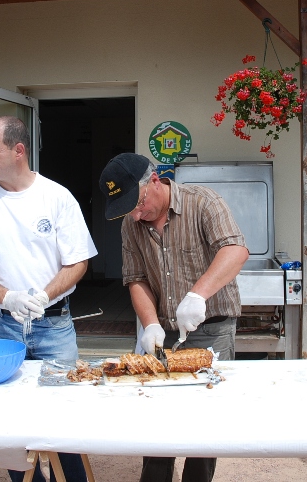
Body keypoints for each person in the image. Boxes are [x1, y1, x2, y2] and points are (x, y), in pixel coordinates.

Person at [0, 116, 97, 482]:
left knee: (62, 416)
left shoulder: (56, 197)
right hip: (1, 326)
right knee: (9, 419)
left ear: (19, 150)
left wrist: (44, 294)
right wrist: (7, 297)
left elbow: (78, 262)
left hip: (53, 324)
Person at [98, 153, 248, 482]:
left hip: (211, 329)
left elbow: (235, 250)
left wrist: (198, 295)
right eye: (127, 210)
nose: (135, 215)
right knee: (156, 419)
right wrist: (150, 323)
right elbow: (136, 278)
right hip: (163, 332)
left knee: (204, 423)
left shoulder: (203, 203)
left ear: (154, 181)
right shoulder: (131, 223)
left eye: (138, 204)